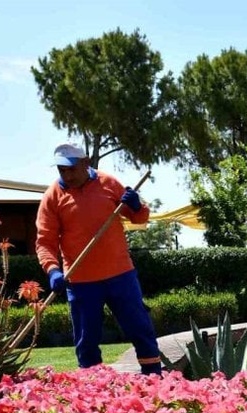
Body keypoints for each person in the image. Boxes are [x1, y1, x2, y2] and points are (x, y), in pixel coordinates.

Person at [35, 143, 162, 374]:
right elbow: (45, 241)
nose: (67, 175)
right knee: (86, 341)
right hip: (80, 281)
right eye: (62, 170)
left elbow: (139, 218)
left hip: (121, 275)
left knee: (140, 329)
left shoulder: (109, 183)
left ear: (85, 163)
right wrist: (52, 270)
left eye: (72, 169)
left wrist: (136, 205)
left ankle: (154, 378)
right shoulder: (52, 196)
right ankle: (92, 387)